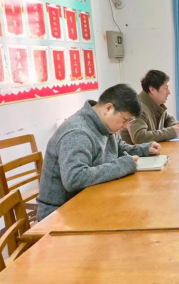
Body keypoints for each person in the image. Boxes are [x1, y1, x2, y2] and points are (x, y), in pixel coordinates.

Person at [37, 84, 161, 220]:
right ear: (108, 108)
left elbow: (119, 148)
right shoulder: (78, 132)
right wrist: (123, 165)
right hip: (59, 214)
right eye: (125, 120)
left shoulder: (106, 124)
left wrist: (144, 149)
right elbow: (74, 178)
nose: (126, 126)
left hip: (89, 200)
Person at [120, 70, 179, 144]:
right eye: (166, 88)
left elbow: (168, 118)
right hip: (135, 151)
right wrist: (172, 132)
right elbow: (139, 137)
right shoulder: (137, 107)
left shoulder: (155, 104)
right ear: (152, 90)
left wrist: (176, 125)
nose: (169, 92)